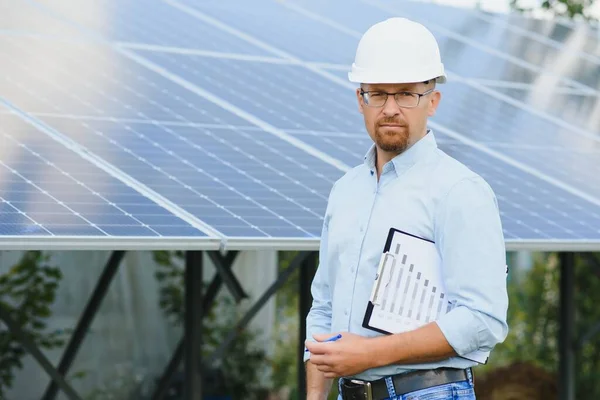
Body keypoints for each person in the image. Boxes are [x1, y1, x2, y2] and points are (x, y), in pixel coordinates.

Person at [303, 17, 509, 400]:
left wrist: (368, 353)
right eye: (378, 94)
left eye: (406, 94)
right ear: (360, 100)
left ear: (433, 101)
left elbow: (483, 319)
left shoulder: (460, 191)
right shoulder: (345, 192)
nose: (391, 108)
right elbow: (323, 310)